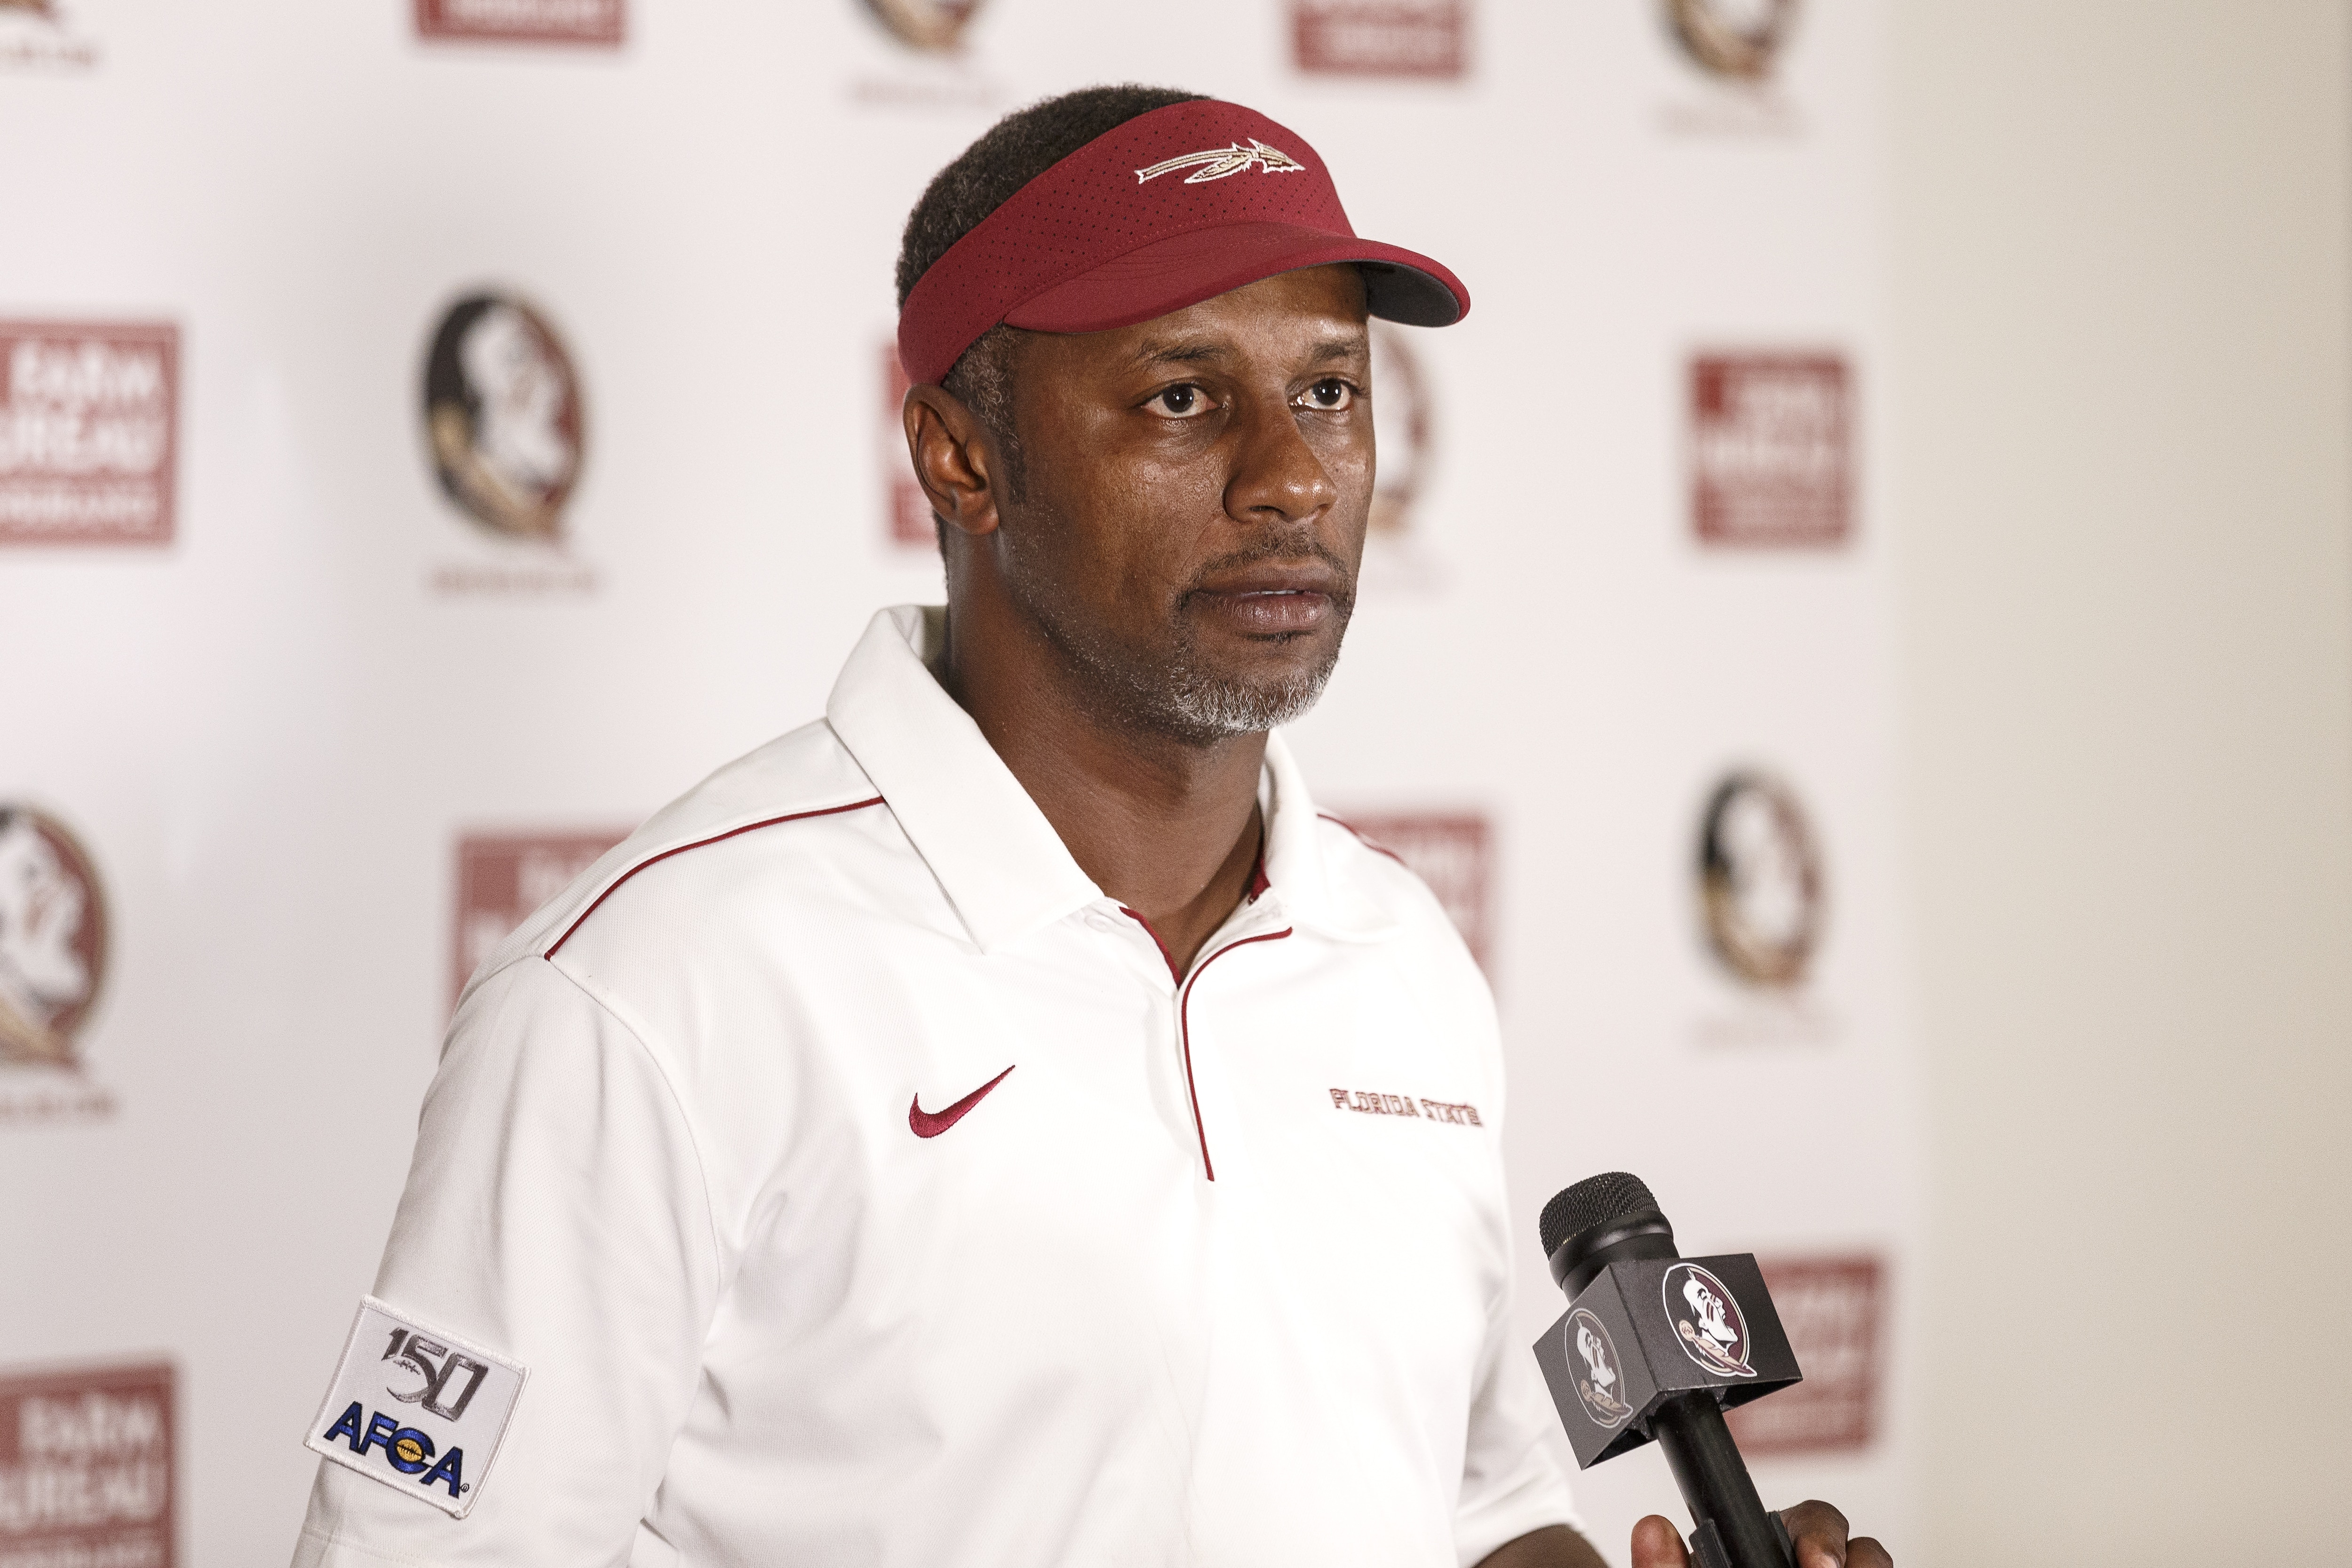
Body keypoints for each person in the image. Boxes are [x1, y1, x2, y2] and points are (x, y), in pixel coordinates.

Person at [291, 85, 1891, 1568]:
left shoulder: (1398, 955)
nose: (1292, 478)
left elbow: (1484, 1514)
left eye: (1330, 391)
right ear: (961, 457)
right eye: (1184, 397)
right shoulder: (647, 992)